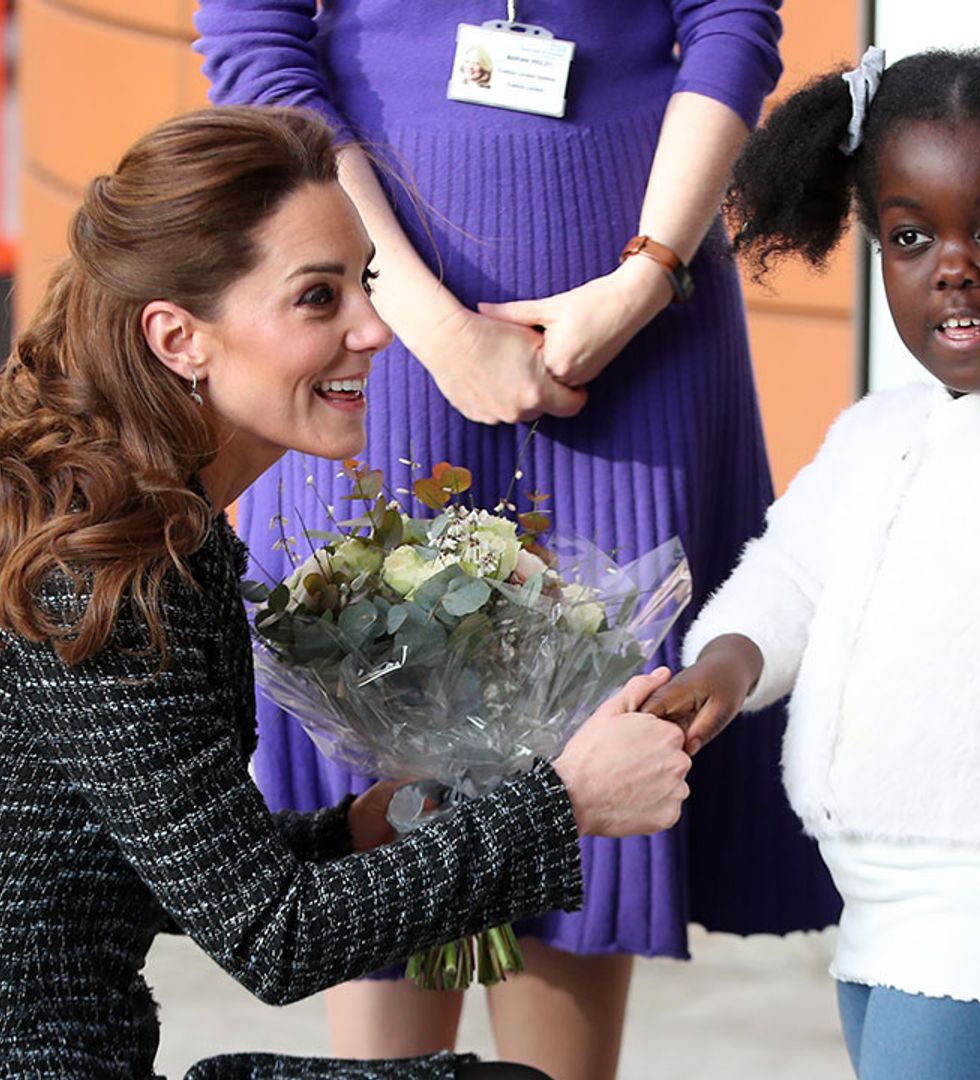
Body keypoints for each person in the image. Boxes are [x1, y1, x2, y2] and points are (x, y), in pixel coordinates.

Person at [192, 6, 841, 1076]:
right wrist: (420, 321)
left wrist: (648, 275)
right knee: (375, 744)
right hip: (369, 317)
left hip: (637, 315)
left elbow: (730, 17)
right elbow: (255, 43)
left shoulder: (645, 292)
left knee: (596, 719)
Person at [0, 104, 695, 1080]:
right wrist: (566, 800)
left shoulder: (147, 524)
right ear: (177, 337)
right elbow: (272, 939)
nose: (375, 329)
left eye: (364, 284)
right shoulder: (101, 569)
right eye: (319, 299)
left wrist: (365, 827)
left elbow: (158, 869)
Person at [644, 45, 980, 1080]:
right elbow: (790, 573)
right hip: (875, 902)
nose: (954, 264)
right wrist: (730, 664)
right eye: (911, 236)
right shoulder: (877, 431)